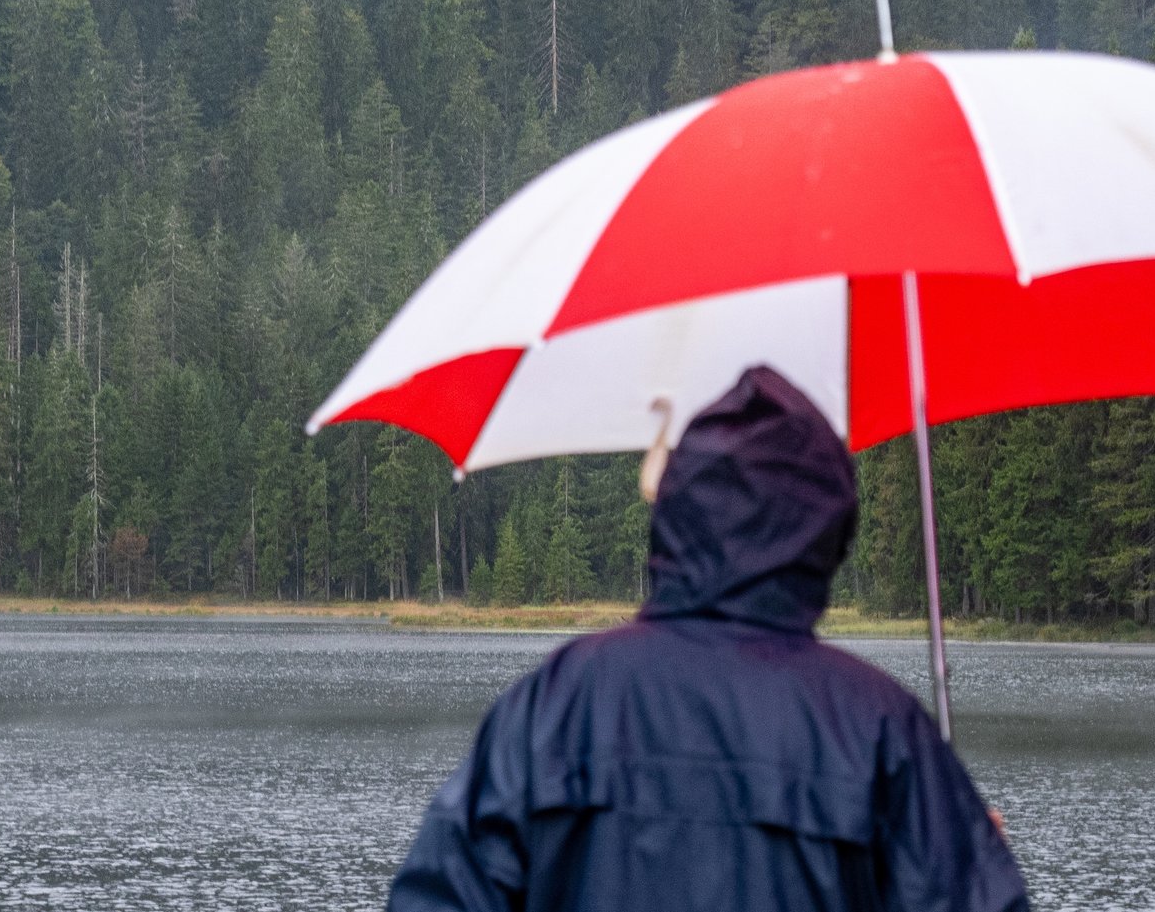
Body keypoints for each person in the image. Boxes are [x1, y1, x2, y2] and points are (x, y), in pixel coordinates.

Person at [389, 366, 1029, 912]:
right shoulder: (883, 728)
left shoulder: (554, 704)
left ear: (674, 512)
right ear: (828, 532)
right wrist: (968, 853)